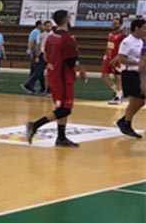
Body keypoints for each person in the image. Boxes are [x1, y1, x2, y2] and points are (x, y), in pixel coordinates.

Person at [26, 9, 87, 148]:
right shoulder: (68, 38)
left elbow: (46, 56)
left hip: (53, 75)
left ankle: (61, 137)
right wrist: (82, 71)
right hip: (63, 78)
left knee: (61, 106)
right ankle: (34, 126)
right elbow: (72, 61)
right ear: (67, 19)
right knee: (65, 109)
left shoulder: (51, 37)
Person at [114, 17, 144, 139]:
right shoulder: (127, 42)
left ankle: (124, 121)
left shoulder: (142, 41)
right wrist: (137, 64)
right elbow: (121, 58)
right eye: (144, 28)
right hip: (130, 73)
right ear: (136, 28)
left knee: (140, 100)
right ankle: (126, 123)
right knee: (137, 100)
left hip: (140, 74)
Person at [101, 16, 126, 104]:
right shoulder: (110, 34)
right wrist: (105, 55)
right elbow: (108, 45)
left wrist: (117, 58)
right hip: (108, 57)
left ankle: (118, 97)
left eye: (115, 23)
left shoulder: (123, 35)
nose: (113, 25)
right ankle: (118, 92)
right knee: (104, 76)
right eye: (113, 23)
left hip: (117, 59)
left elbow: (124, 49)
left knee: (118, 78)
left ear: (120, 24)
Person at [22, 20, 48, 94]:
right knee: (38, 70)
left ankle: (32, 86)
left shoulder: (39, 32)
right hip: (37, 53)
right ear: (39, 25)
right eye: (43, 25)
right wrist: (33, 53)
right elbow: (32, 42)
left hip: (37, 53)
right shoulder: (36, 32)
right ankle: (29, 85)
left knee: (37, 70)